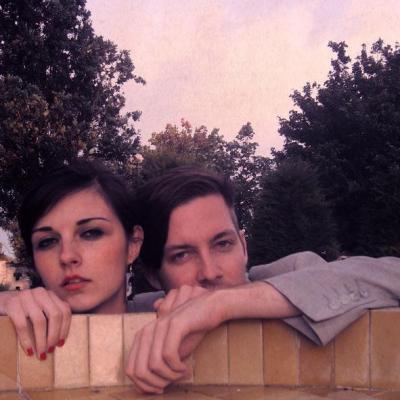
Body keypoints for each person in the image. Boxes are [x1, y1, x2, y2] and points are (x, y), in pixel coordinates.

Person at [126, 165, 400, 394]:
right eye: (182, 255)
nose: (209, 272)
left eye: (222, 244)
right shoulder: (141, 311)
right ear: (152, 274)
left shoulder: (294, 273)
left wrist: (220, 304)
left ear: (243, 246)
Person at [0, 160, 143, 361]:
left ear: (133, 244)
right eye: (47, 242)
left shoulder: (166, 313)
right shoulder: (10, 333)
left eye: (91, 233)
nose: (66, 256)